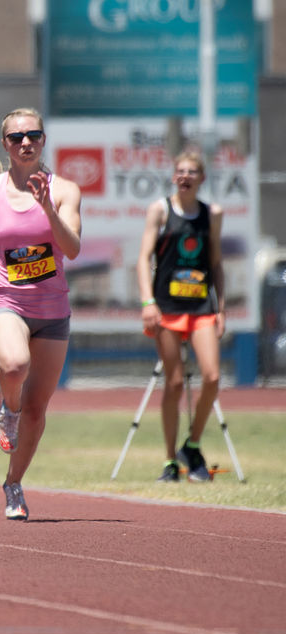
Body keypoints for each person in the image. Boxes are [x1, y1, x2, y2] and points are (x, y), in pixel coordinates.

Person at [0, 107, 82, 521]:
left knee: (38, 410)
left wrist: (47, 207)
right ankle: (6, 408)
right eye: (16, 137)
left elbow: (73, 248)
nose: (25, 142)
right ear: (5, 145)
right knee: (13, 366)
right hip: (8, 301)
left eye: (33, 135)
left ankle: (13, 484)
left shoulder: (64, 191)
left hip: (52, 311)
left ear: (43, 140)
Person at [137, 150, 224, 483]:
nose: (185, 176)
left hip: (202, 307)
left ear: (202, 178)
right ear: (174, 176)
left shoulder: (212, 214)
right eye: (180, 171)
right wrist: (148, 302)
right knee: (173, 383)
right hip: (166, 307)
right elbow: (144, 258)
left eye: (192, 172)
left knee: (212, 377)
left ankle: (193, 443)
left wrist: (222, 306)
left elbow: (215, 262)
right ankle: (170, 460)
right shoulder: (159, 210)